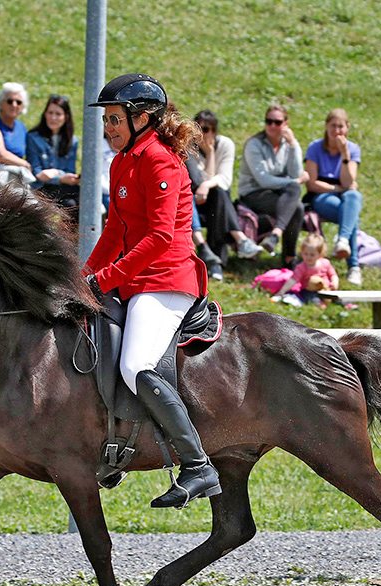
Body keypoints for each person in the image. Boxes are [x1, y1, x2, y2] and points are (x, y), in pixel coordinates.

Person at [85, 73, 220, 509]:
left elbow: (161, 238)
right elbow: (114, 231)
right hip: (134, 279)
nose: (108, 128)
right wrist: (82, 277)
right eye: (106, 120)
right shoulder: (122, 161)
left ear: (142, 117)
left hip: (166, 280)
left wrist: (105, 280)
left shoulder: (160, 160)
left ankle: (197, 464)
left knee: (135, 364)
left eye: (114, 119)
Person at [186, 110, 262, 279]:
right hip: (194, 201)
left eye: (206, 130)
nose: (201, 134)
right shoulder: (189, 148)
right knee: (218, 194)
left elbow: (225, 179)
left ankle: (216, 263)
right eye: (197, 129)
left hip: (216, 199)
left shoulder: (226, 145)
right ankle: (240, 241)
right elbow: (198, 181)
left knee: (220, 194)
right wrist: (206, 181)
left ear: (214, 131)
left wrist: (211, 154)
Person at [237, 104, 308, 267]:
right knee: (296, 204)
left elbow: (296, 173)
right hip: (253, 193)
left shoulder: (287, 145)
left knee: (296, 202)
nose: (272, 126)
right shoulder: (254, 144)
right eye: (269, 122)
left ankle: (277, 236)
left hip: (279, 194)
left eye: (277, 122)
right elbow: (263, 180)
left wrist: (293, 145)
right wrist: (294, 182)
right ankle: (289, 256)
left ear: (286, 124)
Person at [304, 108, 364, 286]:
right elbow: (312, 183)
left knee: (354, 196)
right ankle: (354, 266)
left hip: (345, 196)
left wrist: (345, 154)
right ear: (326, 126)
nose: (337, 131)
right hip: (321, 195)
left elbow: (349, 182)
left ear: (347, 128)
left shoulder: (352, 149)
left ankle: (343, 241)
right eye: (333, 126)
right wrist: (336, 188)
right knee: (350, 215)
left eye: (341, 127)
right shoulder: (315, 148)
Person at [27, 95, 80, 217]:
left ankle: (77, 235)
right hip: (42, 187)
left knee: (80, 201)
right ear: (45, 114)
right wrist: (60, 177)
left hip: (63, 186)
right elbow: (37, 172)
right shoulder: (34, 138)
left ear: (66, 117)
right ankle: (66, 236)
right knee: (70, 204)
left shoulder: (72, 140)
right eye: (50, 113)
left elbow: (70, 170)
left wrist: (56, 173)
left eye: (58, 114)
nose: (53, 117)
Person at [270, 233, 351, 309]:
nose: (308, 257)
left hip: (325, 289)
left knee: (337, 297)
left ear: (320, 254)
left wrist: (334, 283)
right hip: (308, 290)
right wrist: (282, 291)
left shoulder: (325, 263)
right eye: (305, 254)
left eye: (312, 255)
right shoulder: (302, 267)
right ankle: (321, 305)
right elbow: (293, 280)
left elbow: (333, 274)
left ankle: (347, 305)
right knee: (311, 299)